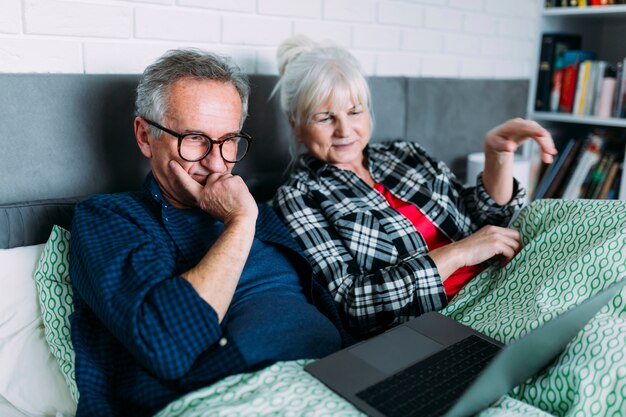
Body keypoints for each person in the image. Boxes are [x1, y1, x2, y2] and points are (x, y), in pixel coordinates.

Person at [69, 48, 349, 417]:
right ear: (144, 135)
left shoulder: (256, 209)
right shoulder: (109, 218)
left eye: (229, 139)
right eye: (196, 139)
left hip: (341, 375)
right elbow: (166, 344)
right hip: (240, 392)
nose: (217, 163)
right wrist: (239, 224)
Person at [271, 35, 558, 339]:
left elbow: (489, 222)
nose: (345, 130)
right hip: (443, 322)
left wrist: (497, 156)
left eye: (355, 111)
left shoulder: (406, 153)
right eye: (325, 117)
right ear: (295, 124)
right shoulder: (298, 196)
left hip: (506, 284)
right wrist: (460, 253)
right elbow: (353, 304)